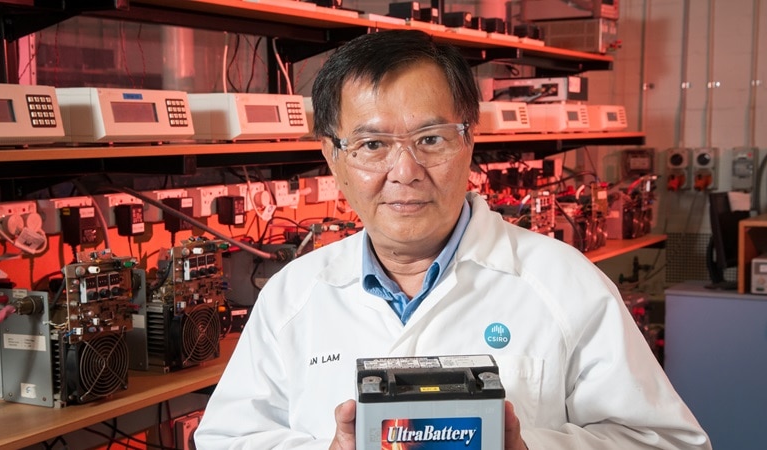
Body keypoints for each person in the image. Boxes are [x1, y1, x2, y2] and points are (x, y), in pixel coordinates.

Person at [194, 29, 711, 450]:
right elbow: (227, 439)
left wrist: (534, 448)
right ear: (333, 156)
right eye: (372, 144)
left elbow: (669, 442)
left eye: (431, 139)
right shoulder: (293, 295)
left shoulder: (566, 283)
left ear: (470, 141)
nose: (405, 171)